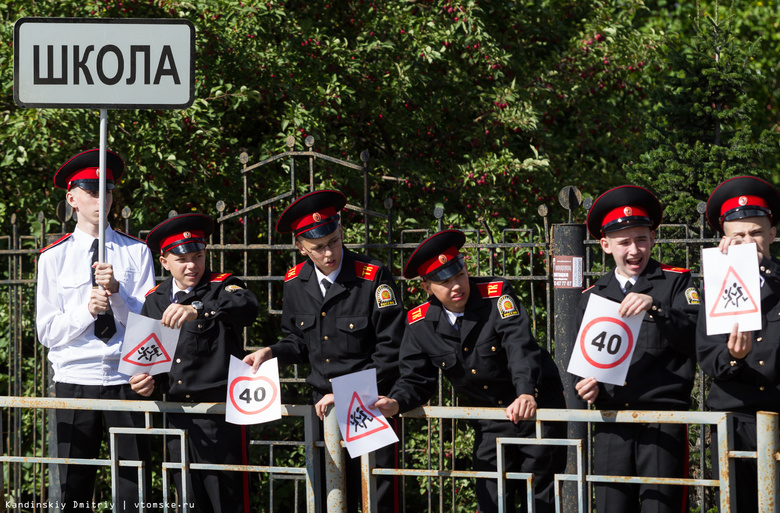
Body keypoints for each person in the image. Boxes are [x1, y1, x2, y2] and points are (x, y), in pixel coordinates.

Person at [372, 229, 567, 513]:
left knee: (539, 500)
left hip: (535, 410)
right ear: (427, 287)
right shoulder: (420, 324)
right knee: (491, 498)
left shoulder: (496, 295)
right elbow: (415, 378)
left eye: (459, 275)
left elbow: (519, 346)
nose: (457, 286)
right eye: (445, 282)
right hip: (489, 420)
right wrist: (397, 402)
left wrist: (526, 392)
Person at [243, 189, 404, 513]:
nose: (329, 252)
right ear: (301, 247)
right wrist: (270, 353)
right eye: (318, 247)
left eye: (333, 240)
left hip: (369, 405)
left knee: (377, 498)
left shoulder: (372, 277)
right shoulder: (295, 282)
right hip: (322, 409)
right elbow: (298, 342)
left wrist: (348, 393)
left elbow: (392, 348)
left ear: (340, 231)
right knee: (327, 497)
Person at [36, 148, 155, 512]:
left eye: (108, 189)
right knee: (71, 485)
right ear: (71, 197)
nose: (101, 197)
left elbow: (150, 326)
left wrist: (118, 296)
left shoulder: (136, 253)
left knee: (134, 485)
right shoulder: (53, 257)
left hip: (126, 378)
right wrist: (86, 311)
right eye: (91, 189)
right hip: (75, 378)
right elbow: (47, 331)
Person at [572, 185, 700, 513]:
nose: (634, 250)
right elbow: (588, 359)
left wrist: (657, 308)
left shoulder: (676, 283)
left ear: (653, 238)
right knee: (612, 506)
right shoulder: (593, 296)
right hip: (611, 418)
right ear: (605, 245)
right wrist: (588, 383)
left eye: (641, 239)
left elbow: (696, 340)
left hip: (662, 418)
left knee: (662, 507)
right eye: (624, 242)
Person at [129, 213, 259, 513]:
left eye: (198, 256)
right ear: (164, 262)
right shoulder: (155, 299)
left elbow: (247, 307)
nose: (192, 266)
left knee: (228, 500)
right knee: (189, 500)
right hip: (176, 417)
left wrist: (198, 309)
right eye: (182, 259)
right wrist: (146, 382)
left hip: (220, 415)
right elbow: (148, 361)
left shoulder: (222, 286)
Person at [697, 175, 780, 513]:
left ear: (772, 234)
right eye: (739, 235)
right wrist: (733, 356)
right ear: (725, 240)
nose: (749, 241)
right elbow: (706, 355)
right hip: (733, 420)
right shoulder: (714, 286)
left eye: (757, 232)